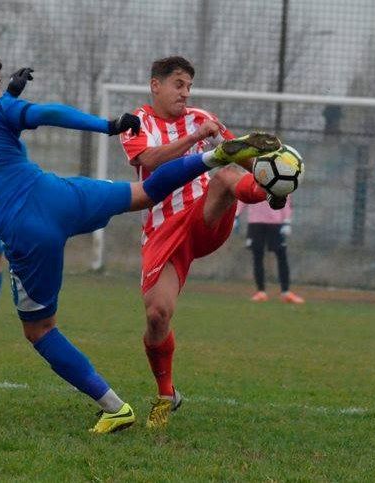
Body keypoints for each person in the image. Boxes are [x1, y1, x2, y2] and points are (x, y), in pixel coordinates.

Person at [0, 54, 279, 433]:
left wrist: (5, 95)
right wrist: (107, 125)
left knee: (40, 330)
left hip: (25, 232)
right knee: (144, 193)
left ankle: (114, 407)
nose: (1, 91)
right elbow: (48, 113)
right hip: (57, 194)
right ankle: (211, 158)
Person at [118, 56, 287, 429]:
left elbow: (240, 157)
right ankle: (167, 394)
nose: (185, 93)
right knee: (157, 315)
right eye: (178, 84)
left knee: (225, 178)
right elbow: (150, 160)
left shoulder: (203, 118)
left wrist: (271, 175)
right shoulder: (136, 122)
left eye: (189, 86)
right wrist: (196, 139)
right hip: (163, 231)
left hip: (204, 216)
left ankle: (269, 194)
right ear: (156, 85)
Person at [237, 197, 305, 303]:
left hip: (275, 222)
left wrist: (287, 221)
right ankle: (261, 292)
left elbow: (285, 197)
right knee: (257, 256)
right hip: (256, 222)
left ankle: (285, 292)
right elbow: (244, 197)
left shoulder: (279, 185)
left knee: (281, 255)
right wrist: (236, 215)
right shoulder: (252, 184)